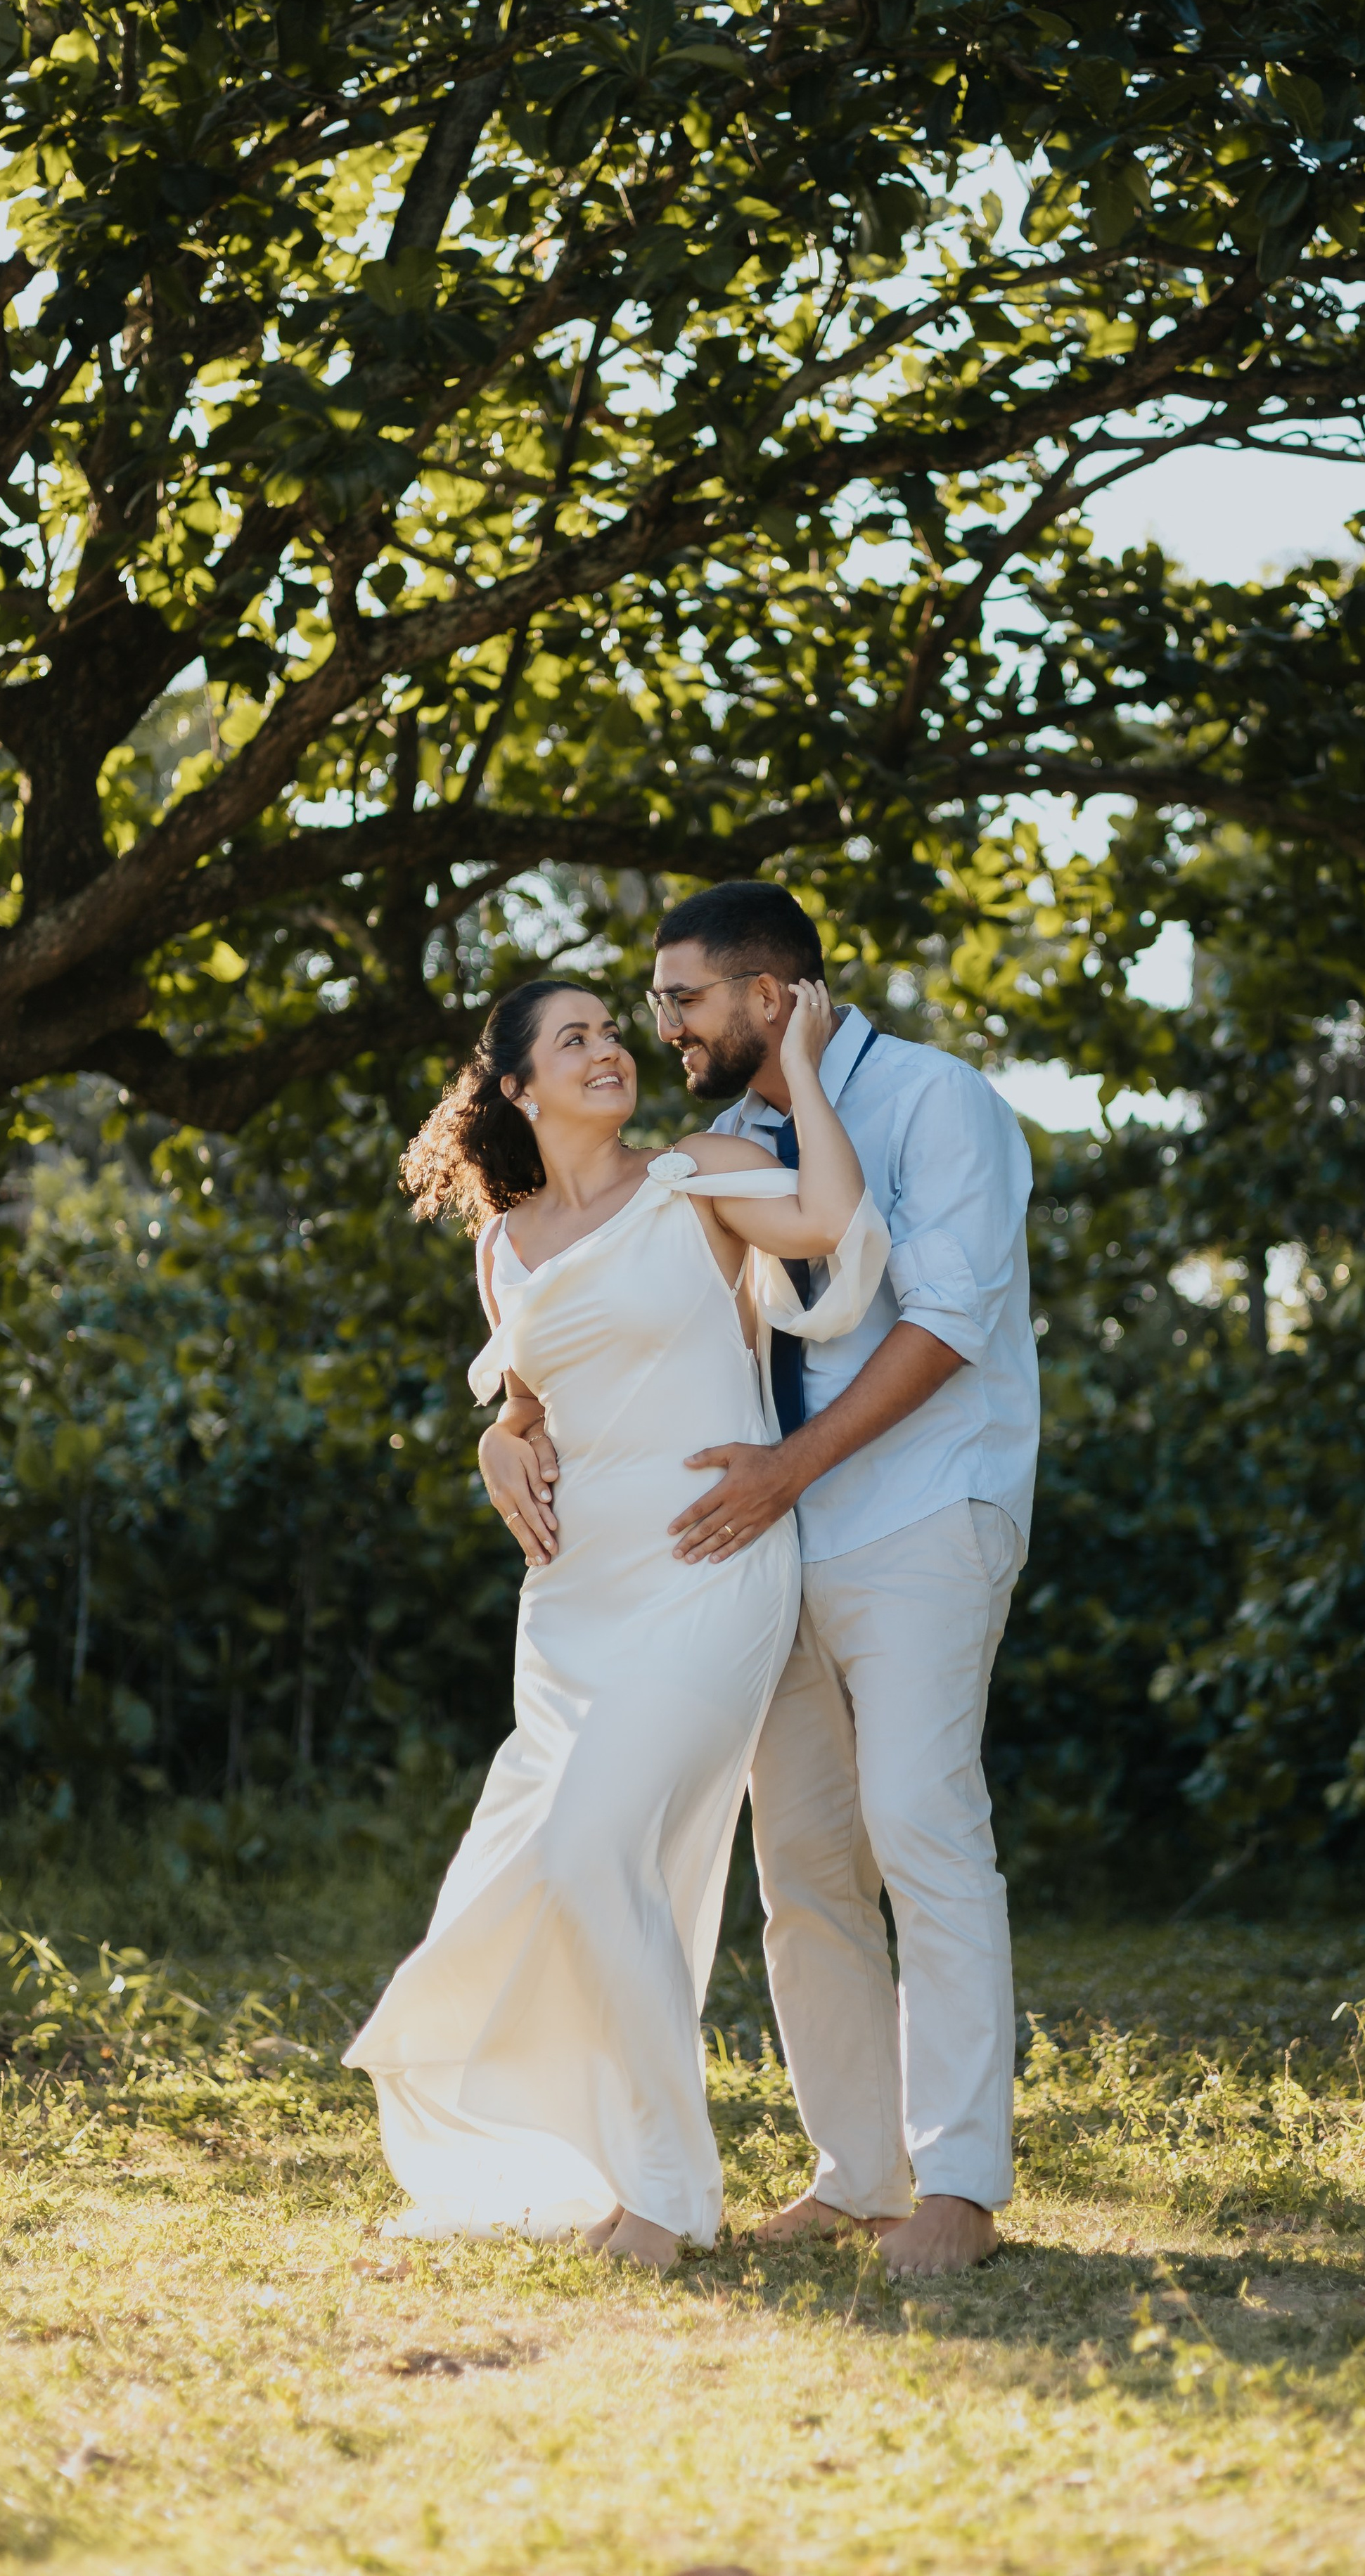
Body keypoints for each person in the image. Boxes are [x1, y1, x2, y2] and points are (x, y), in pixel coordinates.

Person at [484, 884, 1039, 2274]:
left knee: (920, 1817)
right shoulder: (726, 1142)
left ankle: (959, 2182)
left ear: (767, 996)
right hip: (765, 1545)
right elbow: (616, 1318)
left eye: (679, 1000)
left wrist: (788, 1469)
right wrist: (512, 1421)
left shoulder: (932, 1096)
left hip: (918, 1512)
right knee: (799, 1864)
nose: (658, 1026)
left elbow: (947, 1322)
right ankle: (858, 2172)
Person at [344, 974, 887, 2267]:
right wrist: (496, 1440)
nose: (609, 1051)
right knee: (552, 1868)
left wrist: (801, 1061)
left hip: (715, 1565)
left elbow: (827, 1216)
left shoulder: (694, 1178)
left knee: (595, 1852)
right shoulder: (502, 1245)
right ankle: (634, 2166)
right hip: (574, 1604)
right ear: (518, 1089)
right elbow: (538, 1398)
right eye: (572, 1038)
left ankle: (667, 2191)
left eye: (613, 1032)